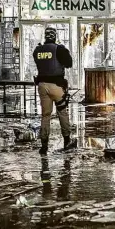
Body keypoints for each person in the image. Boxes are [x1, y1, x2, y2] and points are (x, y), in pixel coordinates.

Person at [33, 27, 76, 155]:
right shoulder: (59, 49)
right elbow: (69, 63)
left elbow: (38, 62)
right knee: (62, 112)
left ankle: (44, 145)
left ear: (45, 37)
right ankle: (67, 140)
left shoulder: (38, 50)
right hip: (56, 86)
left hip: (42, 86)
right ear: (55, 36)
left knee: (45, 116)